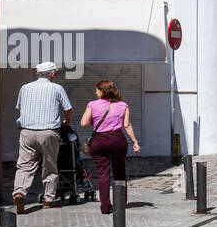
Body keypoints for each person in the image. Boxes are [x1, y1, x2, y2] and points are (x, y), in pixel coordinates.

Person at [12, 61, 73, 213]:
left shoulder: (25, 88)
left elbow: (20, 108)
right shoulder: (57, 88)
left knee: (24, 166)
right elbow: (68, 109)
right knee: (50, 166)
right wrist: (67, 121)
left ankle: (19, 192)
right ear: (52, 74)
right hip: (48, 133)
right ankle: (48, 200)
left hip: (27, 132)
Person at [80, 79, 140, 215]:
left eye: (97, 90)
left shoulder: (92, 105)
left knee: (103, 174)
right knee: (120, 171)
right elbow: (127, 125)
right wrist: (135, 142)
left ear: (103, 91)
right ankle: (121, 202)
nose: (95, 92)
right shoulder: (123, 105)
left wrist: (96, 122)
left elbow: (84, 123)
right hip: (117, 139)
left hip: (99, 141)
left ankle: (105, 207)